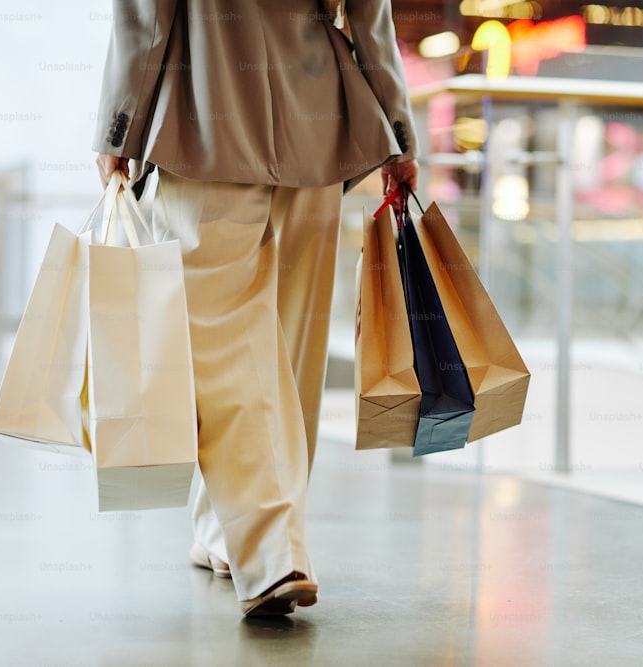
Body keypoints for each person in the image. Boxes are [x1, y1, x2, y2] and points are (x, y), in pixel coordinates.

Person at [92, 0, 419, 617]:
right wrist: (397, 133)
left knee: (220, 343)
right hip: (320, 118)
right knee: (291, 347)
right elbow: (371, 16)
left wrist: (119, 126)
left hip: (206, 114)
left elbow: (145, 15)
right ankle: (228, 532)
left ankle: (272, 551)